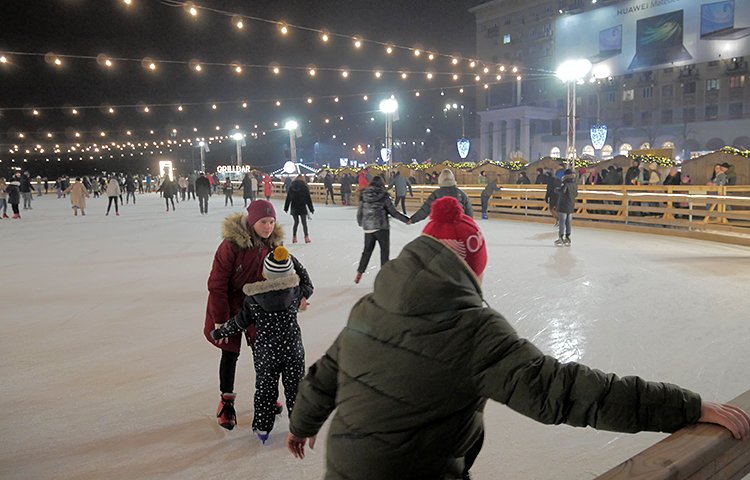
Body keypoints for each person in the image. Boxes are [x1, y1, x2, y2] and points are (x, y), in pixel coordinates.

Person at [286, 197, 750, 479]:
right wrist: (686, 407)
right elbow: (562, 392)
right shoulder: (472, 330)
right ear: (471, 267)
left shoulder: (372, 307)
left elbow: (325, 376)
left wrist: (303, 423)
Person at [204, 200, 309, 430]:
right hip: (229, 305)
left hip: (260, 305)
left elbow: (286, 273)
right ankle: (226, 402)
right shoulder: (230, 246)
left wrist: (299, 294)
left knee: (262, 351)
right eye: (264, 222)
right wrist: (220, 319)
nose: (269, 226)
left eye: (272, 222)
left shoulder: (273, 244)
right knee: (230, 353)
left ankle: (267, 396)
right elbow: (216, 284)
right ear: (252, 222)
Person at [210, 245, 313, 443]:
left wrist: (220, 332)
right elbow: (308, 282)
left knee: (265, 391)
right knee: (296, 389)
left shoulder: (253, 300)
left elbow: (239, 322)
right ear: (289, 272)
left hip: (267, 354)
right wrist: (290, 259)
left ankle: (263, 429)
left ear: (265, 273)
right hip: (293, 352)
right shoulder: (295, 292)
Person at [355, 176, 409, 284]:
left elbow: (360, 211)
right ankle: (384, 278)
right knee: (384, 252)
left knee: (366, 252)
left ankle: (359, 273)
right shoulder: (384, 196)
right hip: (382, 228)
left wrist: (361, 222)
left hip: (368, 228)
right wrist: (406, 220)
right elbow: (393, 212)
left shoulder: (364, 194)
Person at [284, 175, 315, 244]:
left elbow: (288, 198)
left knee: (296, 222)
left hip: (294, 206)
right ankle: (306, 237)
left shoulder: (291, 187)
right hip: (302, 206)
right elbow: (308, 199)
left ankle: (294, 237)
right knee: (304, 223)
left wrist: (286, 207)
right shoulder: (304, 187)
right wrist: (311, 209)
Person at [554, 169, 578, 246]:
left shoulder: (565, 183)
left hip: (563, 205)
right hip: (571, 205)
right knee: (568, 222)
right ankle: (567, 237)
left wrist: (557, 190)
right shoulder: (575, 184)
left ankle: (561, 237)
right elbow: (576, 194)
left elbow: (563, 191)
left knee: (562, 222)